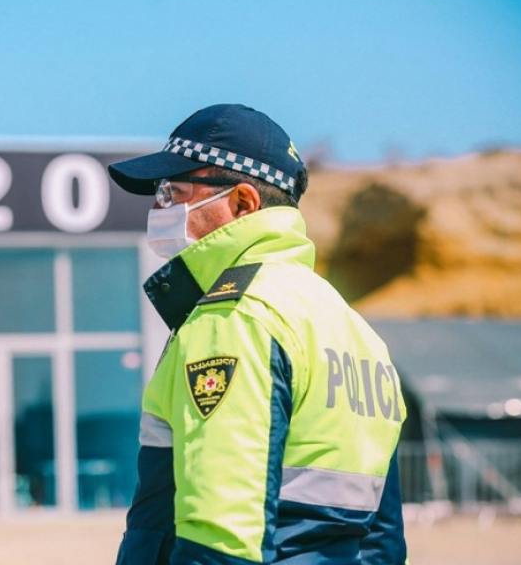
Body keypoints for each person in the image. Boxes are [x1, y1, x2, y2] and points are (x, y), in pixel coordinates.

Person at [108, 104, 408, 565]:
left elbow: (221, 536)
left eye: (172, 191)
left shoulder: (235, 317)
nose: (157, 208)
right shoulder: (353, 329)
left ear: (243, 204)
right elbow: (382, 542)